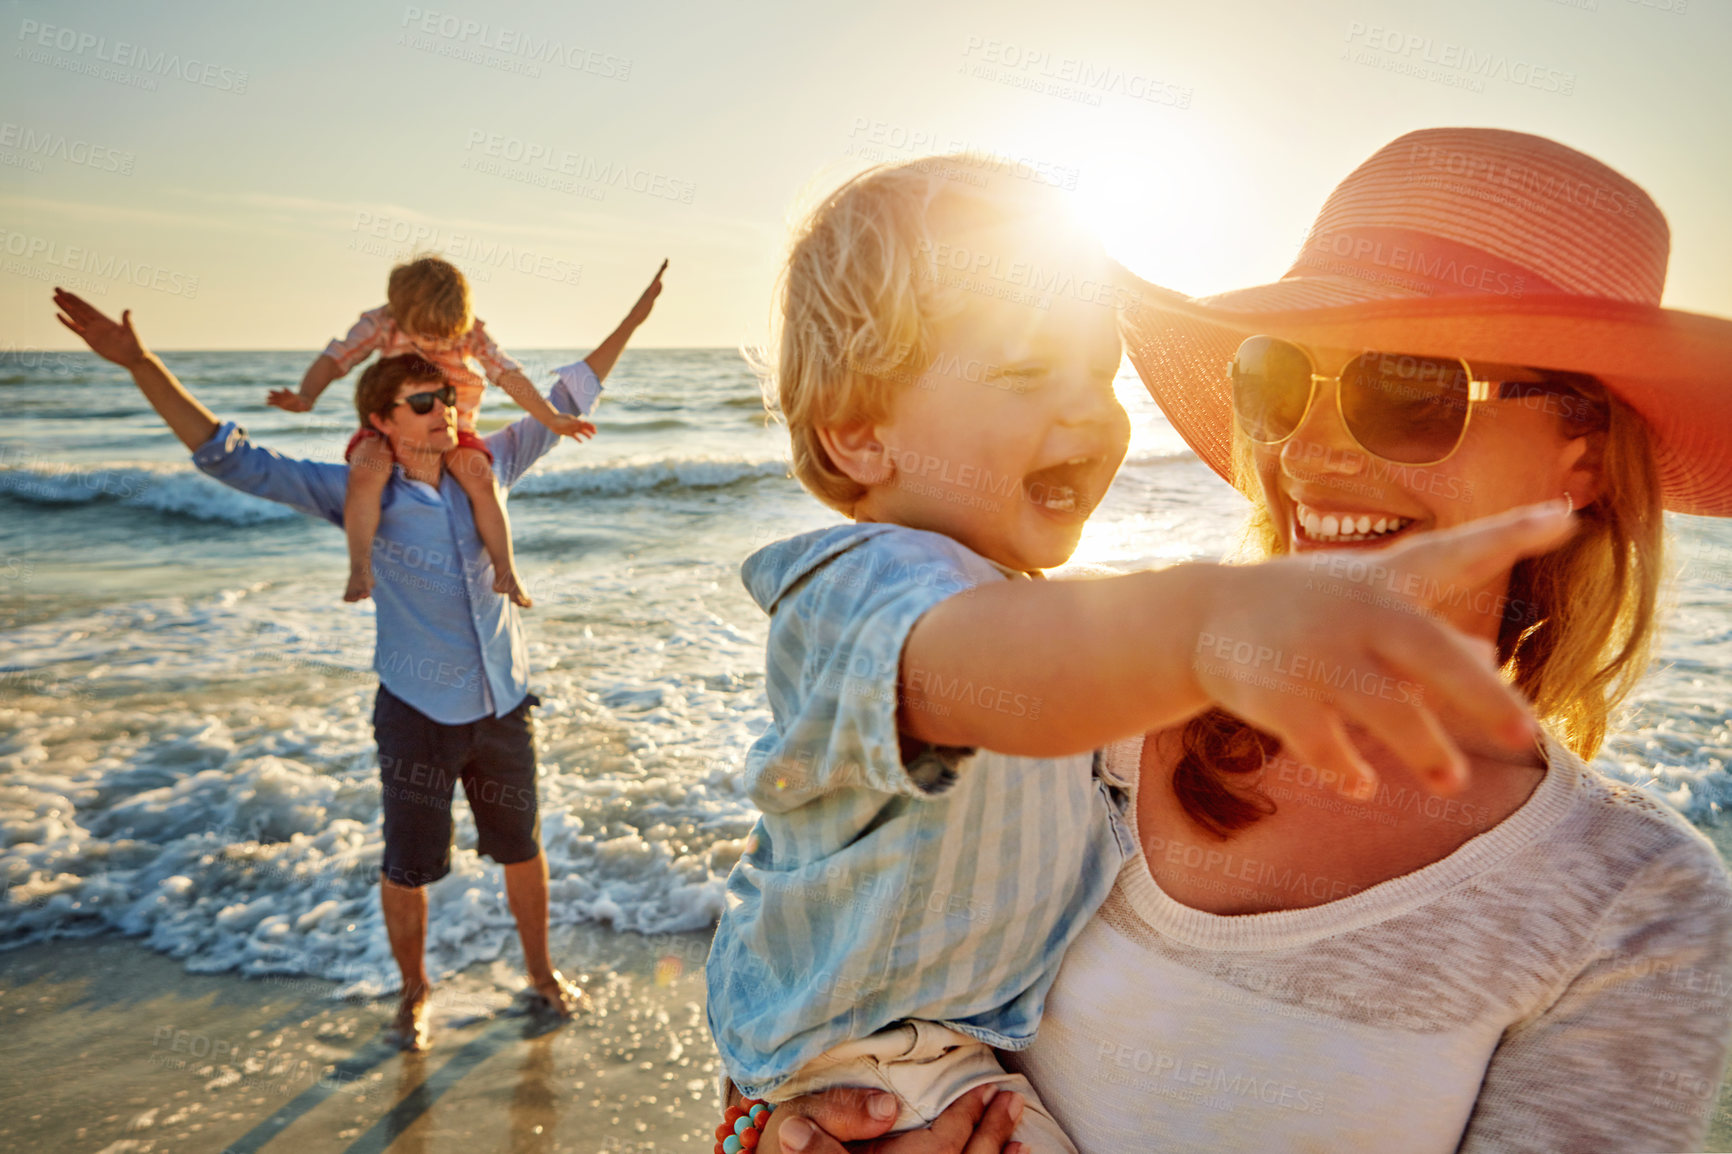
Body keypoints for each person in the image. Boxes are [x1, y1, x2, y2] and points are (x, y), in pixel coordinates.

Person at [747, 128, 1732, 1154]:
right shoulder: (1072, 686)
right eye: (1281, 380)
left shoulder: (1634, 902)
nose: (1308, 446)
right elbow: (809, 966)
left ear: (1582, 460)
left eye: (1407, 389)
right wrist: (771, 1129)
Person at [51, 262, 666, 1051]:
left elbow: (572, 392)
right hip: (416, 713)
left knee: (522, 847)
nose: (445, 408)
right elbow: (235, 459)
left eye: (447, 396)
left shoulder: (493, 467)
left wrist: (635, 319)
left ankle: (540, 975)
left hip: (505, 704)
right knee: (409, 866)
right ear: (383, 421)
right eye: (424, 402)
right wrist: (144, 365)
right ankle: (415, 992)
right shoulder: (354, 488)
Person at [265, 255, 610, 607]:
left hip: (453, 425)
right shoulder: (382, 322)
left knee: (480, 478)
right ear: (402, 313)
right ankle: (360, 567)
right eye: (426, 334)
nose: (435, 343)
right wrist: (307, 394)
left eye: (446, 336)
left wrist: (551, 418)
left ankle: (505, 570)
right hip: (395, 422)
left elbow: (506, 374)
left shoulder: (469, 330)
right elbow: (337, 357)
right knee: (367, 470)